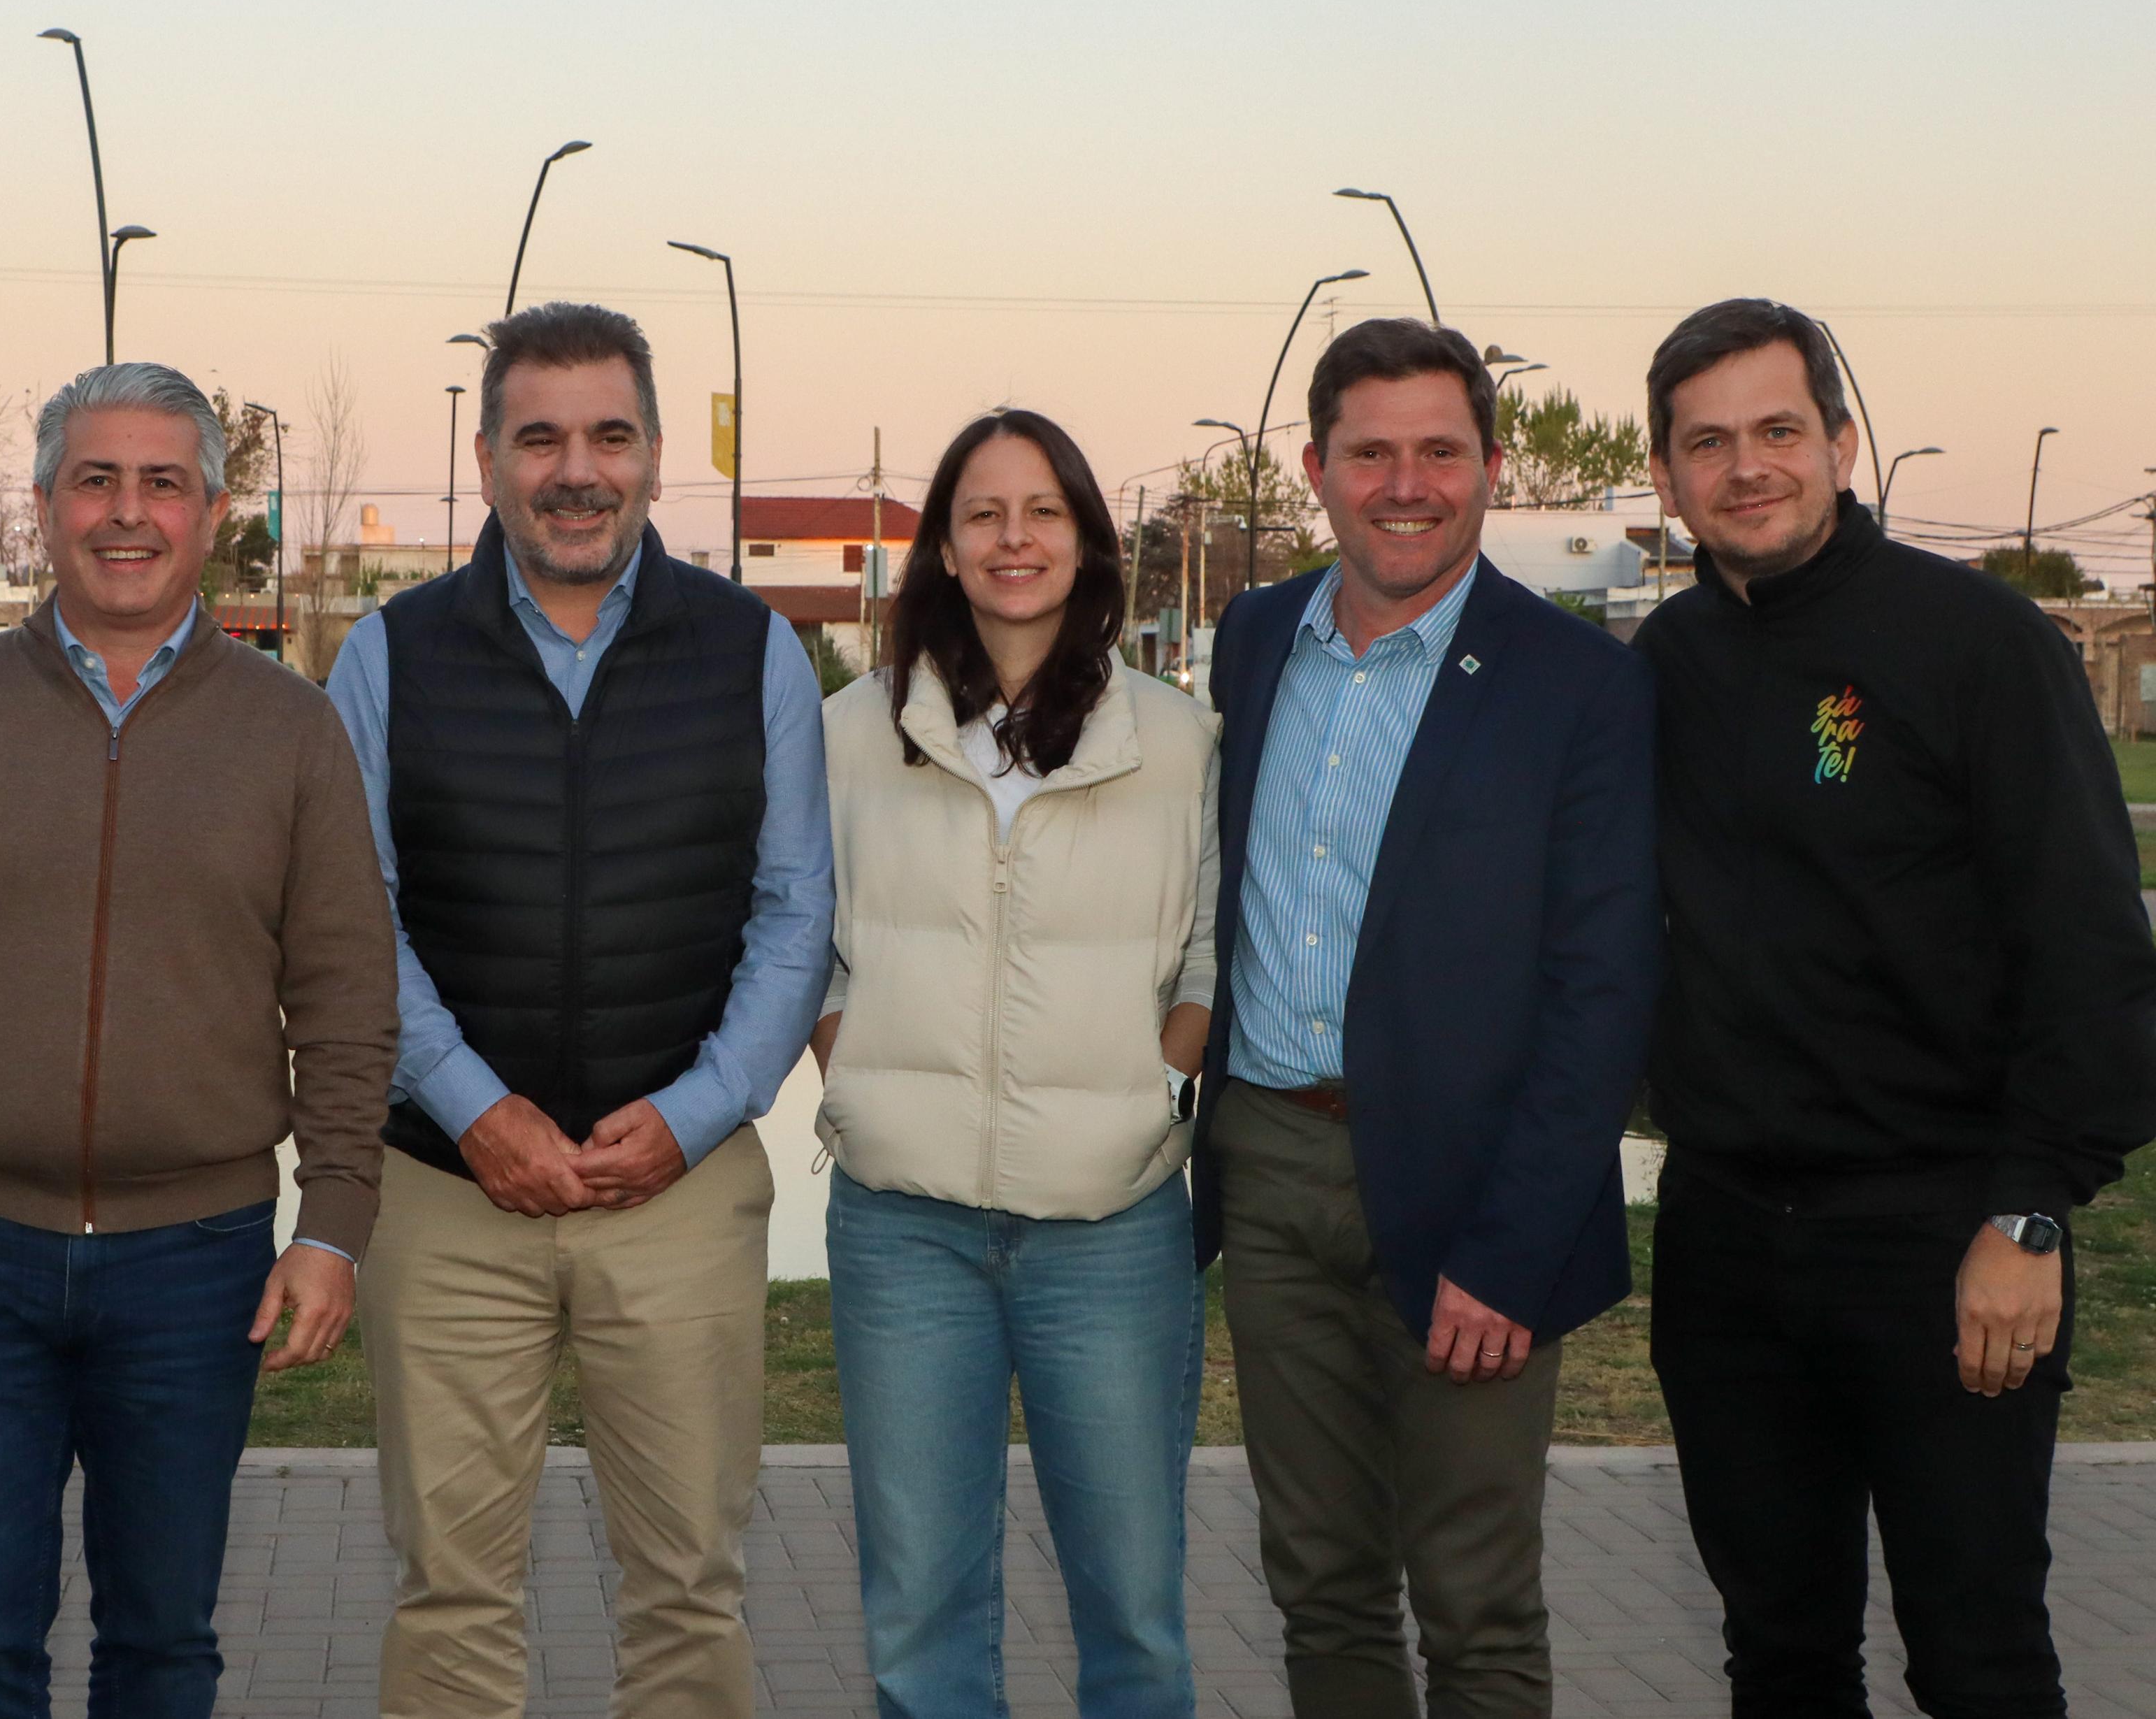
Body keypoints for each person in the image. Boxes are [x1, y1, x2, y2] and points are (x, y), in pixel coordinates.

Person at [0, 361, 398, 1718]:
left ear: (213, 513)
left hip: (192, 1271)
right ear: (41, 505)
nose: (126, 513)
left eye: (162, 484)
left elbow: (349, 998)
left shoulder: (293, 734)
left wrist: (335, 1222)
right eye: (95, 479)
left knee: (163, 1654)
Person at [1634, 297, 2156, 1718]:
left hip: (1943, 1240)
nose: (1746, 468)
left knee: (1977, 1656)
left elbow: (2092, 955)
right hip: (1728, 1245)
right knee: (1777, 1655)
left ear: (1842, 442)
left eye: (1777, 431)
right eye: (1706, 442)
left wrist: (2029, 1212)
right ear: (1667, 475)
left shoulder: (1980, 648)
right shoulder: (1661, 671)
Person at [324, 301, 833, 1719]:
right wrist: (471, 1106)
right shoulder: (391, 654)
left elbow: (796, 914)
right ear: (485, 457)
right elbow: (354, 922)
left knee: (686, 1590)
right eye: (537, 436)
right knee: (451, 1595)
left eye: (608, 434)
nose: (574, 469)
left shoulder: (752, 651)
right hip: (444, 1196)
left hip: (674, 1196)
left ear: (658, 455)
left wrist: (693, 1116)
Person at [1194, 317, 1659, 1718]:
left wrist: (1512, 1255)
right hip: (1273, 1175)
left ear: (1491, 467)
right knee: (1320, 1585)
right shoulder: (1253, 636)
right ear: (1315, 470)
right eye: (1371, 452)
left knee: (1475, 1605)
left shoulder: (1578, 686)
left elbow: (1602, 991)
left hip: (1476, 1201)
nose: (1406, 484)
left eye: (1439, 452)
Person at [812, 408, 1220, 1717]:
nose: (1014, 539)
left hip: (1111, 1228)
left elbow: (1209, 958)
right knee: (921, 1624)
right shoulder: (848, 735)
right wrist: (858, 1078)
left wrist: (1153, 1093)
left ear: (1089, 540)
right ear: (941, 543)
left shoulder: (1175, 742)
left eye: (1043, 510)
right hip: (905, 1231)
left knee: (1135, 1618)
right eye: (983, 513)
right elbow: (807, 947)